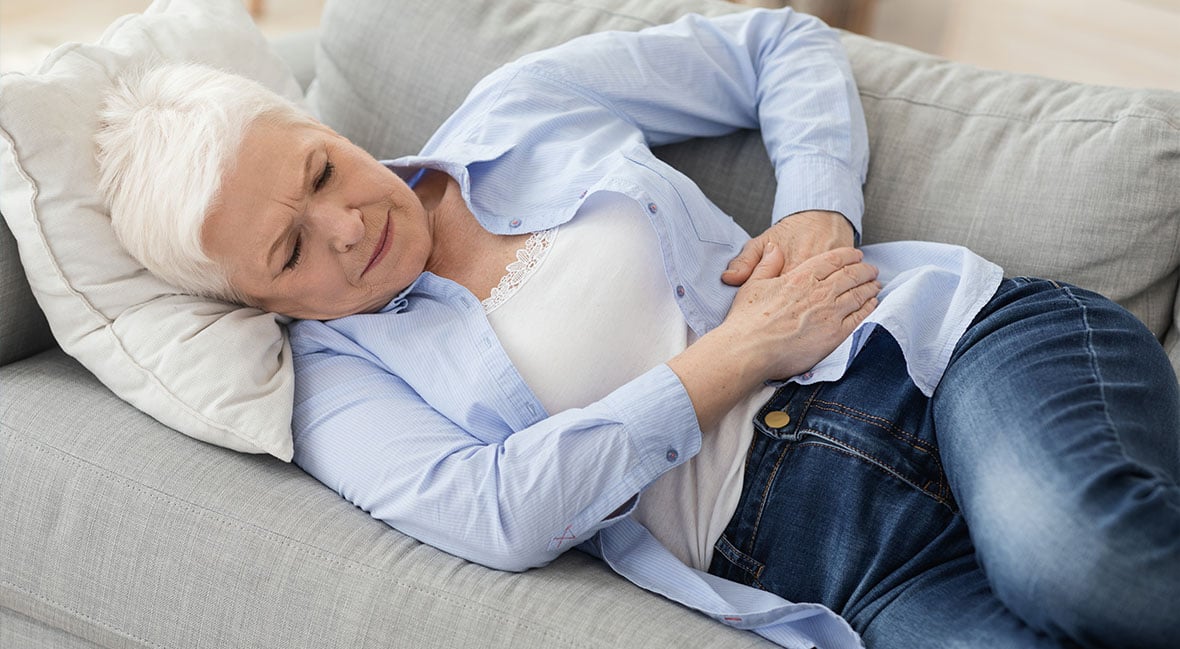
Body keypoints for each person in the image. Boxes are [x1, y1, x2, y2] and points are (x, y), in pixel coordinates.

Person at [94, 8, 1179, 649]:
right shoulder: (333, 386)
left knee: (1075, 564)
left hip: (942, 354)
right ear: (258, 303)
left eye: (321, 169)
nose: (346, 225)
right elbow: (505, 510)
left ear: (320, 126)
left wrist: (816, 202)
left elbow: (775, 43)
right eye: (288, 251)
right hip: (839, 563)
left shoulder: (521, 108)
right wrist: (734, 355)